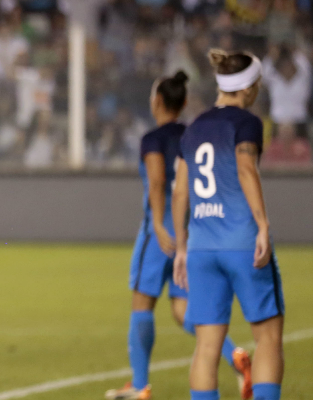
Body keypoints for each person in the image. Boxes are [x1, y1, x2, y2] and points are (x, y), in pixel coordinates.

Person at [105, 71, 251, 400]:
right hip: (192, 231)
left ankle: (140, 386)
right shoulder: (195, 135)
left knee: (142, 302)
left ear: (156, 101)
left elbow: (157, 181)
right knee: (184, 309)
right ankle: (236, 357)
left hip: (161, 233)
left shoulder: (152, 139)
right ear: (184, 103)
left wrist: (157, 224)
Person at [172, 49, 285, 400]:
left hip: (202, 248)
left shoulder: (193, 129)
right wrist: (263, 225)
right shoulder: (246, 123)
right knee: (267, 337)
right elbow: (246, 167)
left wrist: (180, 247)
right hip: (242, 244)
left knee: (207, 347)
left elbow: (179, 193)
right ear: (248, 88)